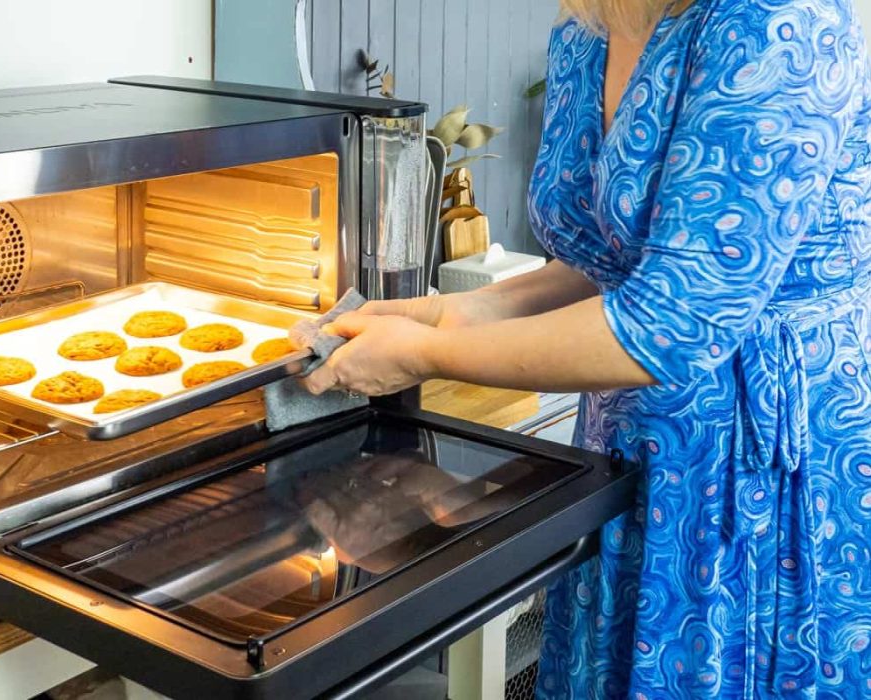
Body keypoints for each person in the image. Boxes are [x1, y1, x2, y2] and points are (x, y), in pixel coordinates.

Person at [303, 0, 871, 695]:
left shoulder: (783, 21)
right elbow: (600, 261)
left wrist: (422, 357)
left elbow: (673, 322)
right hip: (622, 436)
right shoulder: (590, 21)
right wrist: (445, 315)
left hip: (752, 462)